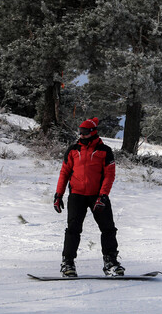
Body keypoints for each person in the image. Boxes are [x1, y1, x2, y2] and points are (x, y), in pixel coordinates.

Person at [53, 117, 125, 277]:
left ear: (93, 132)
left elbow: (109, 175)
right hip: (77, 196)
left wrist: (103, 196)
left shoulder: (105, 151)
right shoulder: (72, 150)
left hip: (98, 197)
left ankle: (110, 263)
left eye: (85, 132)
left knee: (108, 229)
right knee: (72, 230)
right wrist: (59, 194)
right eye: (80, 132)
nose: (81, 135)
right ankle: (68, 264)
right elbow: (64, 173)